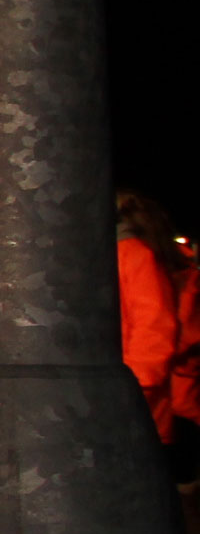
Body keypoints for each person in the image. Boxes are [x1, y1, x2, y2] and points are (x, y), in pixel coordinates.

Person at [113, 189, 187, 441]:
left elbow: (154, 329)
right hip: (126, 401)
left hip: (136, 408)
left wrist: (131, 388)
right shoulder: (121, 253)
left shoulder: (132, 254)